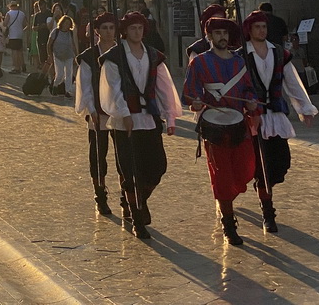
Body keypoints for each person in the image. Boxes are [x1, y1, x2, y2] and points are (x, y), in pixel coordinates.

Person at [99, 12, 182, 239]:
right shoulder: (114, 57)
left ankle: (138, 200)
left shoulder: (154, 56)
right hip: (125, 122)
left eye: (140, 28)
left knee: (157, 167)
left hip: (149, 119)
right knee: (130, 170)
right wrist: (123, 113)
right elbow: (113, 87)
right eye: (133, 28)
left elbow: (164, 87)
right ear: (125, 31)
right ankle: (137, 216)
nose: (137, 32)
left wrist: (170, 116)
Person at [182, 17, 261, 246]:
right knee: (222, 176)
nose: (222, 37)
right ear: (209, 37)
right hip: (213, 127)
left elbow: (248, 89)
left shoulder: (239, 63)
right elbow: (190, 91)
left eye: (224, 33)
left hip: (239, 123)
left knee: (246, 170)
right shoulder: (199, 63)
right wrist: (195, 102)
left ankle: (224, 199)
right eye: (217, 33)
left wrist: (252, 102)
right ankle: (229, 222)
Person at [239, 10, 318, 232]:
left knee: (280, 164)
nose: (261, 31)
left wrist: (304, 108)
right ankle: (268, 212)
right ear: (249, 30)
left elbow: (292, 82)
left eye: (264, 27)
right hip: (253, 119)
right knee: (262, 167)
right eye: (257, 27)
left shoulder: (279, 54)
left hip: (275, 115)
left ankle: (264, 189)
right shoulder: (241, 55)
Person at [74, 12, 118, 214]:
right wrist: (91, 109)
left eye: (111, 27)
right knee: (99, 154)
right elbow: (85, 85)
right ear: (97, 32)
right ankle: (100, 193)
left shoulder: (123, 53)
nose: (108, 32)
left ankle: (127, 195)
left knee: (123, 155)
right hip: (98, 112)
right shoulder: (89, 57)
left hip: (120, 111)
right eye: (105, 28)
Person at [47, 15, 78, 98]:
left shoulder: (70, 33)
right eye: (65, 23)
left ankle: (67, 91)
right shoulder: (55, 32)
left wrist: (76, 55)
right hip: (58, 55)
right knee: (59, 74)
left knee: (69, 73)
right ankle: (55, 85)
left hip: (69, 55)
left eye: (68, 24)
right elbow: (49, 44)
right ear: (62, 23)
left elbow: (73, 45)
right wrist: (50, 55)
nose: (67, 25)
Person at [5, 2, 26, 74]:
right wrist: (22, 30)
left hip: (13, 34)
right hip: (20, 34)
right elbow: (25, 24)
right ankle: (22, 65)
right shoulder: (22, 13)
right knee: (20, 51)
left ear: (10, 6)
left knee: (14, 51)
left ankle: (16, 67)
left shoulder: (9, 13)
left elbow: (5, 24)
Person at [33, 0, 53, 64]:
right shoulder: (37, 15)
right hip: (40, 36)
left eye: (42, 5)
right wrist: (40, 27)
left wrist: (46, 25)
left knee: (48, 54)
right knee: (42, 54)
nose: (41, 7)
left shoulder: (50, 13)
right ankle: (43, 67)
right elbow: (33, 27)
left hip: (49, 35)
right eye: (39, 6)